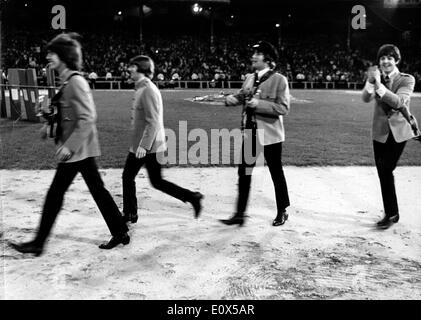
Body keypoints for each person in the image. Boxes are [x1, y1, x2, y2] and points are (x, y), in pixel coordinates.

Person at [8, 33, 129, 256]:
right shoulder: (68, 80)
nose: (48, 57)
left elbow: (88, 117)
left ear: (64, 55)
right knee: (97, 191)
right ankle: (120, 231)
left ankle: (38, 243)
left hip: (77, 151)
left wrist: (69, 145)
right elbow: (68, 116)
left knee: (56, 194)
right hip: (80, 150)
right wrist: (48, 121)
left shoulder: (76, 82)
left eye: (52, 53)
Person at [122, 55, 203, 223]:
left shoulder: (147, 90)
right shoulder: (142, 88)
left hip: (147, 145)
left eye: (132, 66)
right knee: (155, 181)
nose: (129, 69)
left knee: (129, 177)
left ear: (140, 68)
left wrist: (144, 146)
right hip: (147, 144)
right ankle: (192, 197)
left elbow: (153, 121)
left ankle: (130, 214)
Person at [220, 41, 290, 227]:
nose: (253, 56)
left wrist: (259, 104)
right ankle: (240, 214)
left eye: (257, 54)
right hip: (250, 133)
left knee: (276, 172)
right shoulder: (250, 77)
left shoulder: (279, 80)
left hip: (270, 135)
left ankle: (282, 210)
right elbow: (244, 96)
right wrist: (231, 99)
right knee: (244, 172)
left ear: (267, 59)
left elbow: (283, 108)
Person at [362, 44, 417, 229]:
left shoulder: (406, 79)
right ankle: (391, 212)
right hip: (379, 132)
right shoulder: (377, 77)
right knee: (382, 172)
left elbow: (399, 102)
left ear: (396, 61)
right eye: (382, 58)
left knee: (386, 169)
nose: (386, 61)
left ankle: (392, 213)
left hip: (399, 132)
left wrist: (378, 84)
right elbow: (365, 98)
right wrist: (370, 82)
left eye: (390, 58)